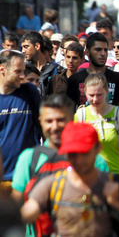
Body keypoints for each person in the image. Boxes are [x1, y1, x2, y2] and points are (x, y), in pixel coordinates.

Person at [20, 122, 119, 237]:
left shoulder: (114, 184)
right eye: (73, 154)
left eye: (84, 153)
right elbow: (22, 216)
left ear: (98, 149)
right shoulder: (52, 185)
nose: (79, 160)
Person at [11, 94, 110, 237]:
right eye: (49, 121)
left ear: (72, 120)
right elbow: (17, 205)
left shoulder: (96, 160)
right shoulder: (29, 158)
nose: (55, 126)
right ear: (40, 121)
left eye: (61, 120)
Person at [66, 33, 119, 132]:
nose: (103, 53)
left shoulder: (117, 79)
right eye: (98, 49)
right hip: (84, 134)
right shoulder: (75, 79)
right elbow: (68, 112)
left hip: (111, 134)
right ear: (87, 52)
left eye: (105, 50)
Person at [75, 73, 119, 177]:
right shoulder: (81, 116)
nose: (95, 100)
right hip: (89, 177)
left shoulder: (118, 114)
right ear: (84, 92)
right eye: (91, 95)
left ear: (107, 91)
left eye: (99, 95)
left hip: (114, 175)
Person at [0, 50, 41, 196]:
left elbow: (42, 127)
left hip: (28, 177)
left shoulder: (30, 92)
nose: (23, 76)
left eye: (23, 71)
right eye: (18, 71)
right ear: (2, 70)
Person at [21, 32, 58, 97]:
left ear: (37, 46)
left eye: (26, 47)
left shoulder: (56, 70)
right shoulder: (23, 70)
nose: (23, 51)